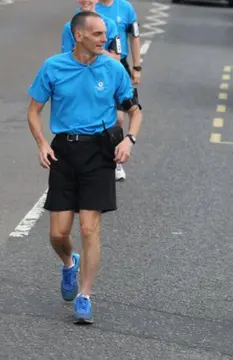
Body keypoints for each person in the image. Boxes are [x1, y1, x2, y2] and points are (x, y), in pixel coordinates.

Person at [26, 11, 142, 324]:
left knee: (89, 228)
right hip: (64, 150)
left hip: (99, 152)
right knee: (57, 234)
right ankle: (68, 263)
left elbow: (135, 110)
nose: (105, 40)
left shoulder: (113, 68)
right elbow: (34, 111)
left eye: (105, 33)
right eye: (98, 34)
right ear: (79, 36)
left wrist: (129, 140)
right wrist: (42, 144)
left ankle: (85, 295)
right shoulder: (54, 67)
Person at [96, 0, 142, 181]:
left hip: (117, 65)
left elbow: (135, 36)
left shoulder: (126, 8)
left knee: (119, 117)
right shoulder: (90, 7)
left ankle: (116, 160)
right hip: (94, 65)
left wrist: (137, 66)